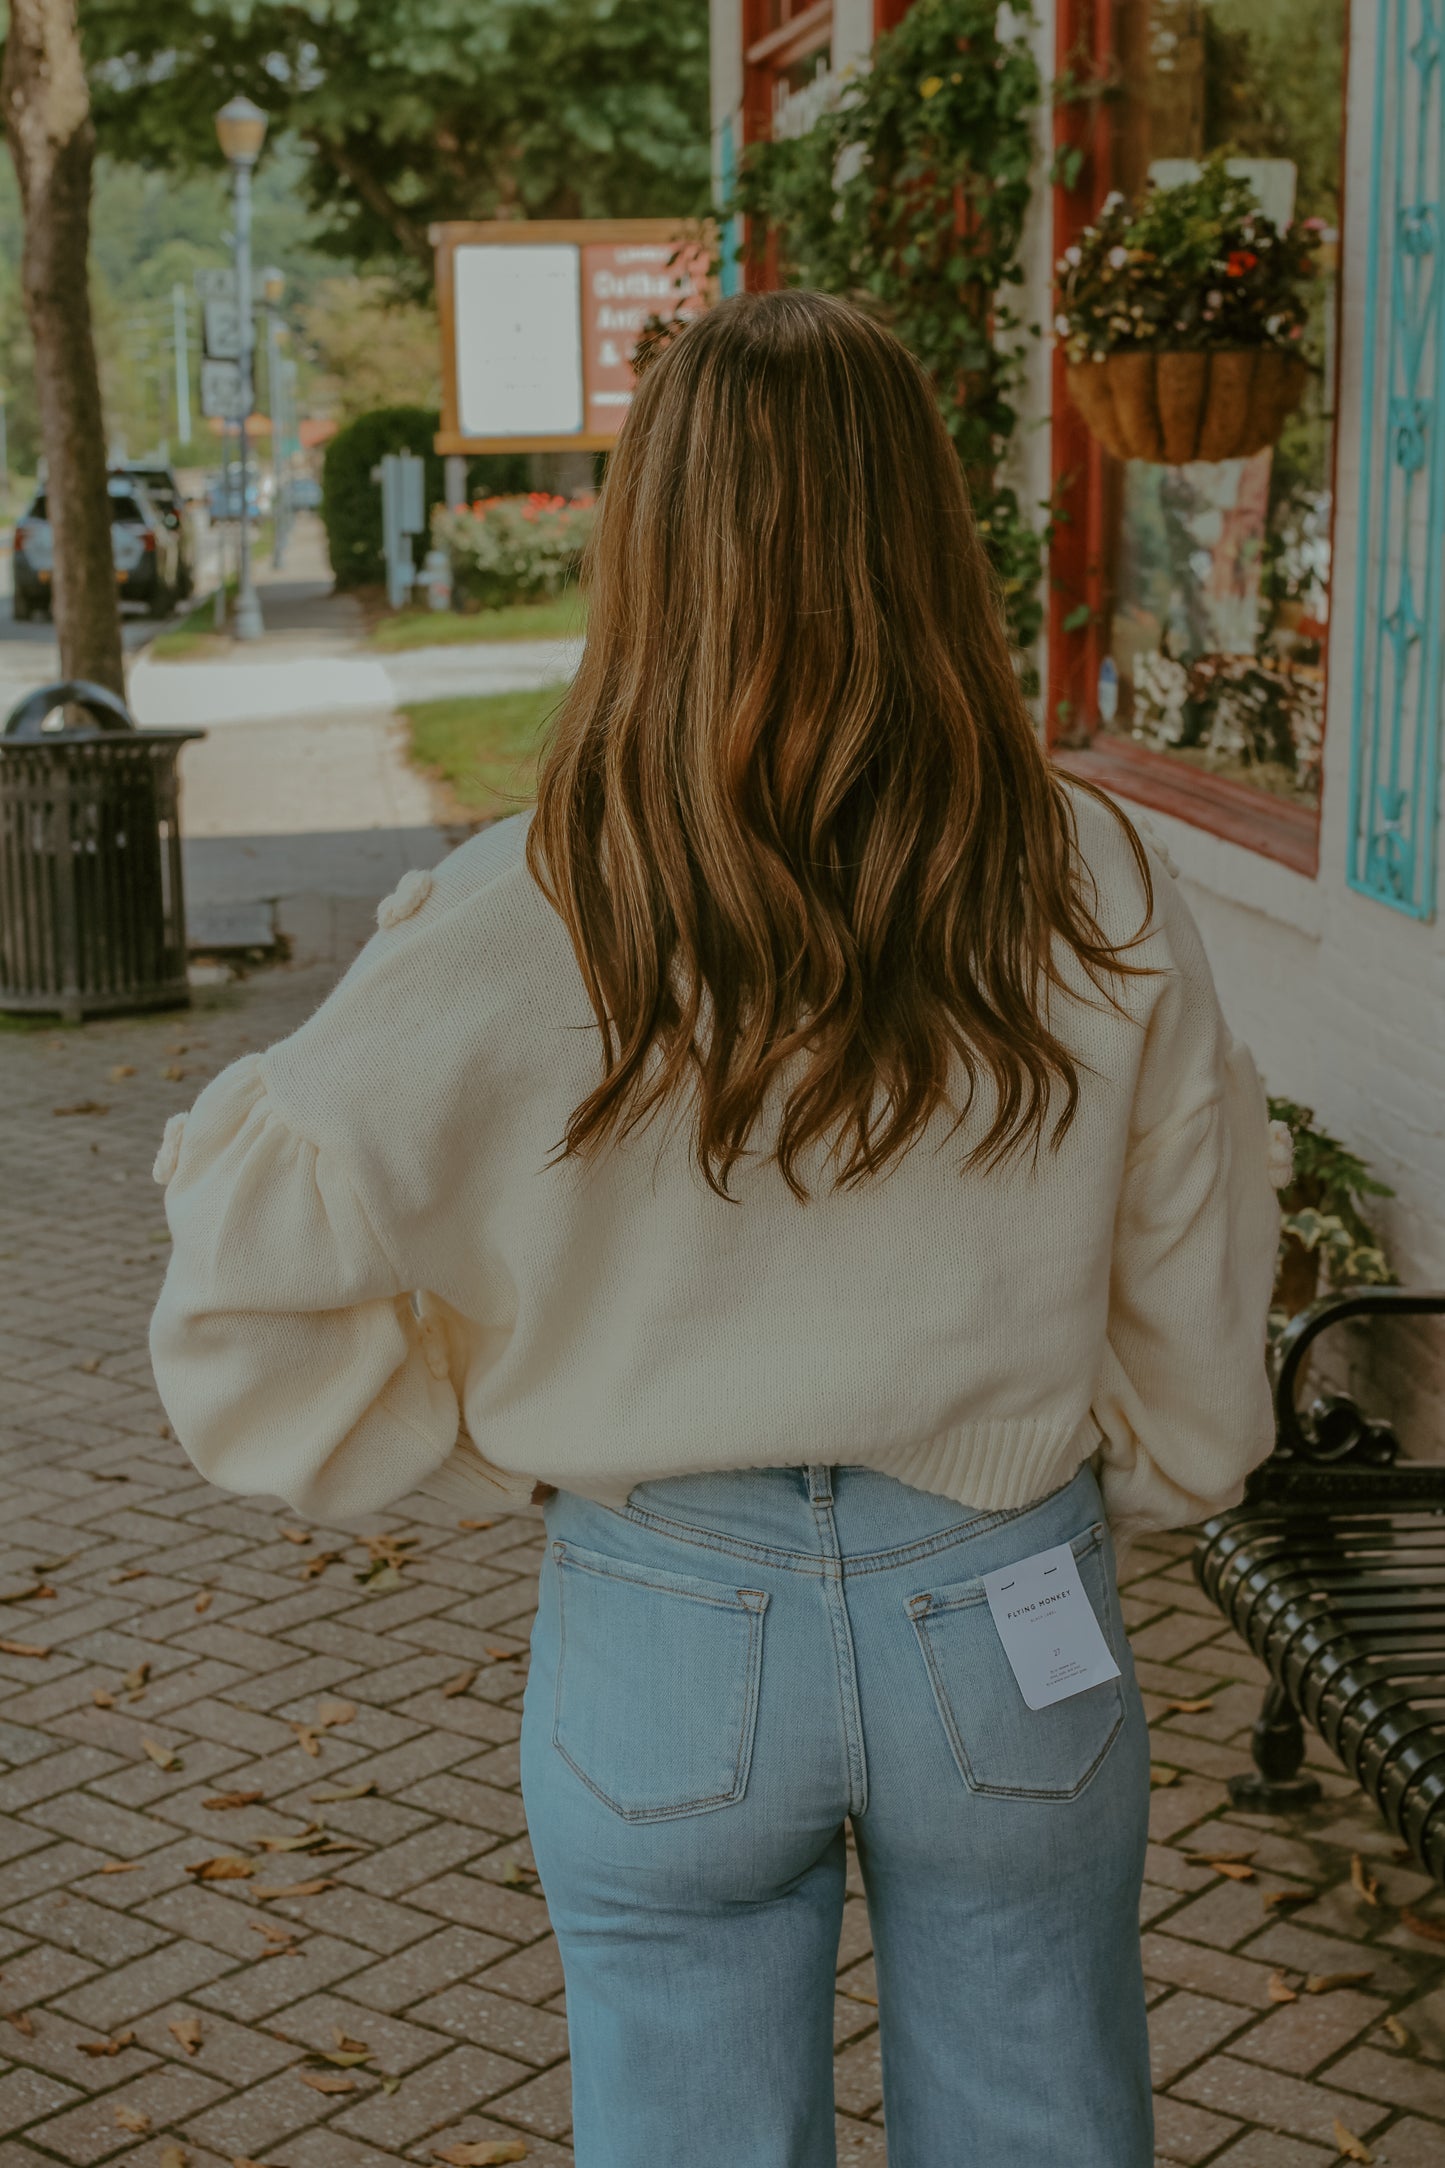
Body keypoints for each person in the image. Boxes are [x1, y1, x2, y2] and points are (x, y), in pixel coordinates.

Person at [149, 289, 1281, 2168]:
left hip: (660, 1610)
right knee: (1041, 2123)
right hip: (1003, 1601)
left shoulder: (527, 905)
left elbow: (245, 1298)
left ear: (647, 547)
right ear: (925, 532)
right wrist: (1134, 1481)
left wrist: (485, 1440)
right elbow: (1191, 1276)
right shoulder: (1085, 871)